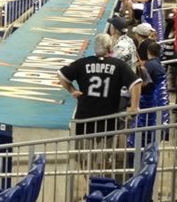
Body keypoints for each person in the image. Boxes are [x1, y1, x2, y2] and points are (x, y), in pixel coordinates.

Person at [59, 32, 142, 169]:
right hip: (108, 118)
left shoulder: (83, 63)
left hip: (85, 119)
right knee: (104, 158)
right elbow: (136, 83)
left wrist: (72, 90)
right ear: (110, 48)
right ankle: (99, 180)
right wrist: (134, 107)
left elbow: (61, 75)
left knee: (83, 158)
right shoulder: (119, 65)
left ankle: (88, 181)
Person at [132, 21, 165, 91]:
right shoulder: (152, 42)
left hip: (149, 80)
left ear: (138, 35)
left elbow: (143, 62)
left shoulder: (143, 45)